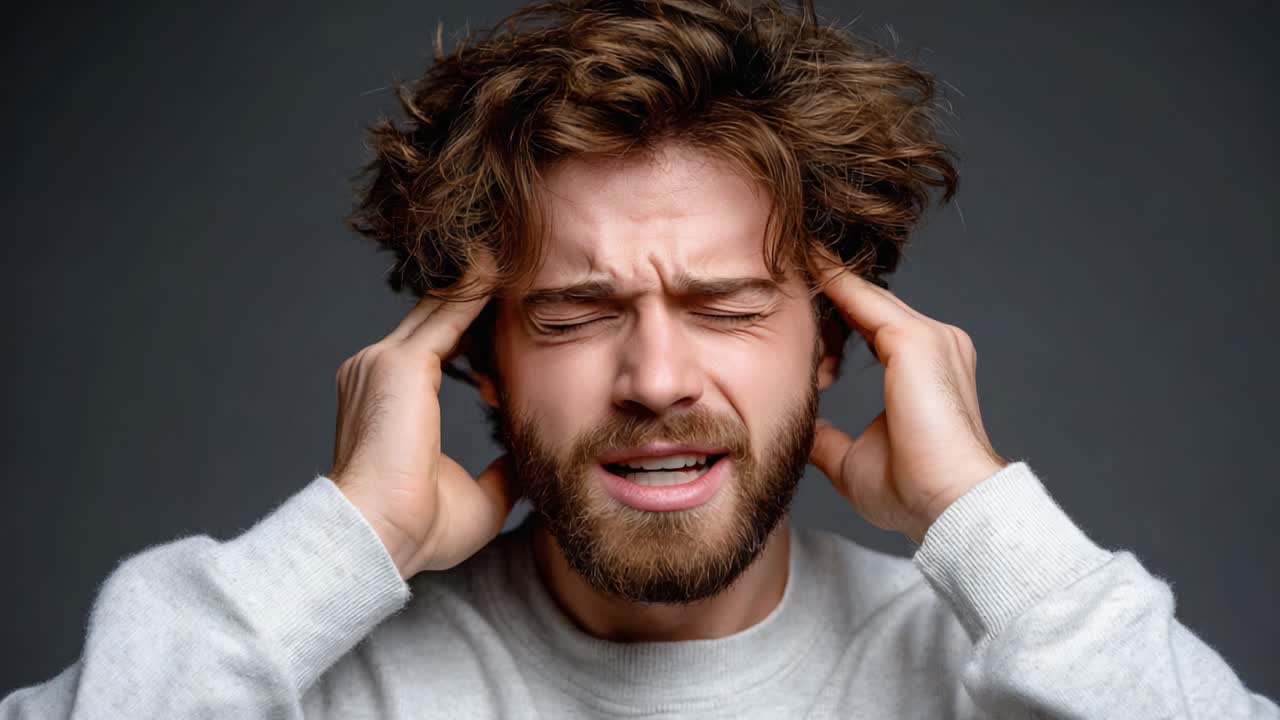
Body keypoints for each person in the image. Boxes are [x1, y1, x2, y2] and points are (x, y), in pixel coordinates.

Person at [4, 0, 1276, 717]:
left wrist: (991, 527)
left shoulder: (994, 675)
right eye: (570, 313)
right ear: (479, 362)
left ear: (833, 343)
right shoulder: (321, 686)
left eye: (724, 305)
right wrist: (340, 547)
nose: (656, 378)